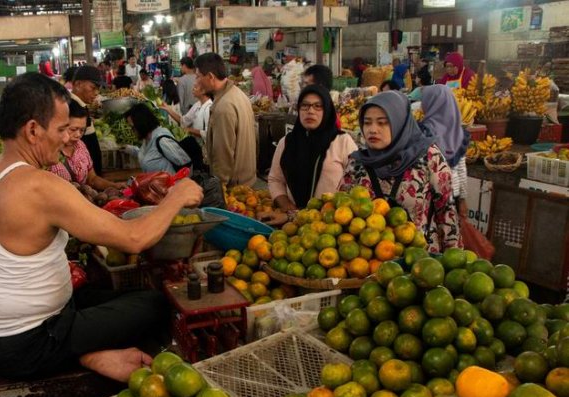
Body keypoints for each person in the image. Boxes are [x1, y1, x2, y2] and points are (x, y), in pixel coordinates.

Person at [0, 73, 203, 382]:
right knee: (158, 304)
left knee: (122, 296)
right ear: (32, 130)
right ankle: (91, 358)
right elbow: (134, 238)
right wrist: (175, 197)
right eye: (61, 129)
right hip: (30, 345)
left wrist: (13, 286)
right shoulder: (40, 186)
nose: (68, 138)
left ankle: (84, 350)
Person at [340, 91, 460, 253]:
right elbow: (342, 211)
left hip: (420, 264)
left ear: (400, 123)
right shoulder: (357, 163)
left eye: (382, 123)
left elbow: (446, 212)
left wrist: (453, 260)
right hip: (369, 263)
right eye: (367, 123)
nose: (372, 130)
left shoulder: (429, 158)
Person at [261, 85, 358, 226]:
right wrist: (286, 205)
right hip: (291, 223)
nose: (310, 111)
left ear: (327, 110)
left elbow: (355, 186)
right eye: (305, 106)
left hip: (331, 225)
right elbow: (275, 179)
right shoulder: (287, 143)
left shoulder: (342, 142)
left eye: (318, 106)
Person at [195, 53, 257, 187]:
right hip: (247, 179)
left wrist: (219, 188)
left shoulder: (224, 107)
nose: (196, 82)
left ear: (211, 76)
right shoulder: (238, 94)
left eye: (198, 76)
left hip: (234, 187)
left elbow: (223, 155)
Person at [49, 100, 126, 191]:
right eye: (73, 129)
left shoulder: (80, 146)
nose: (78, 135)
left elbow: (92, 179)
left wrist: (114, 186)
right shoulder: (48, 152)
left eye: (82, 130)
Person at [419, 84, 469, 219]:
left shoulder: (423, 131)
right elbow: (461, 170)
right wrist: (463, 199)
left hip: (432, 197)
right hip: (454, 194)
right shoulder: (459, 132)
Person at [123, 103, 191, 174]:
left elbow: (186, 165)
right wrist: (130, 149)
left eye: (133, 127)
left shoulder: (162, 140)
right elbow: (149, 155)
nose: (131, 130)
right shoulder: (147, 139)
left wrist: (176, 183)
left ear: (141, 123)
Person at [70, 66, 104, 175]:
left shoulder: (81, 106)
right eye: (93, 88)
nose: (96, 93)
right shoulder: (71, 108)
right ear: (78, 84)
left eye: (98, 89)